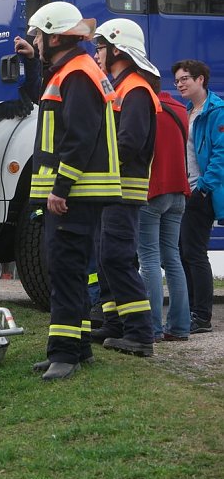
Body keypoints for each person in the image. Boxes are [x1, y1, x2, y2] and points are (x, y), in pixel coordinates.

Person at [15, 1, 121, 381]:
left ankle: (64, 355)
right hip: (75, 194)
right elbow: (40, 97)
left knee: (64, 271)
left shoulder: (77, 74)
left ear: (56, 37)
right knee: (70, 272)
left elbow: (79, 136)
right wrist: (31, 61)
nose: (35, 41)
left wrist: (61, 187)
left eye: (39, 36)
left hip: (72, 195)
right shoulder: (71, 70)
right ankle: (77, 348)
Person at [86, 19, 157, 357]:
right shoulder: (120, 86)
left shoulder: (136, 90)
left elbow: (127, 143)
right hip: (108, 190)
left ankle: (141, 334)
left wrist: (94, 161)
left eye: (100, 47)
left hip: (123, 191)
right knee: (106, 258)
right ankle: (114, 324)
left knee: (117, 258)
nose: (96, 53)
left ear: (117, 49)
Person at [174, 59, 224, 334]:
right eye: (178, 80)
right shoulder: (188, 111)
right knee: (184, 252)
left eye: (185, 79)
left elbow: (221, 155)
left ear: (200, 80)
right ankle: (192, 311)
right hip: (186, 191)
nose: (179, 84)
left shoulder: (216, 111)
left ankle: (201, 316)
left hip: (200, 193)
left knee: (194, 253)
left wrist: (203, 188)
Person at [139, 88, 191, 342]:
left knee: (148, 259)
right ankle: (180, 327)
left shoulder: (146, 107)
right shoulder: (180, 109)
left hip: (152, 191)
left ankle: (152, 328)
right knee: (172, 259)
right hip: (179, 191)